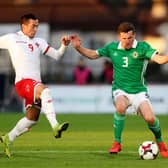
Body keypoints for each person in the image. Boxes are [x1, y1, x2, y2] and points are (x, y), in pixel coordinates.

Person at [71, 22, 168, 158]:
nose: (127, 41)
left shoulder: (143, 47)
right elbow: (93, 55)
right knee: (120, 107)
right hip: (120, 89)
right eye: (124, 38)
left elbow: (160, 59)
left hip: (139, 91)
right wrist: (78, 47)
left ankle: (160, 142)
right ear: (119, 36)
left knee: (150, 118)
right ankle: (117, 142)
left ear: (134, 36)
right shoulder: (112, 47)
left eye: (130, 38)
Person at [0, 13, 70, 157]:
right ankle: (55, 126)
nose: (36, 29)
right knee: (45, 91)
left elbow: (57, 55)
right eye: (33, 26)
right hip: (23, 82)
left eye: (37, 26)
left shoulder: (40, 41)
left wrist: (63, 45)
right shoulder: (12, 39)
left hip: (34, 85)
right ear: (24, 26)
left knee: (32, 119)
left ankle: (8, 138)